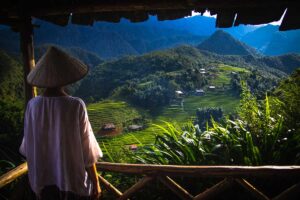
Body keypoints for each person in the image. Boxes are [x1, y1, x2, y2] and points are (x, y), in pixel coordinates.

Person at [19, 46, 103, 200]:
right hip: (71, 184)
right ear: (66, 78)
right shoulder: (75, 105)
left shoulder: (33, 105)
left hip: (42, 185)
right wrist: (96, 182)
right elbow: (88, 152)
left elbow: (28, 147)